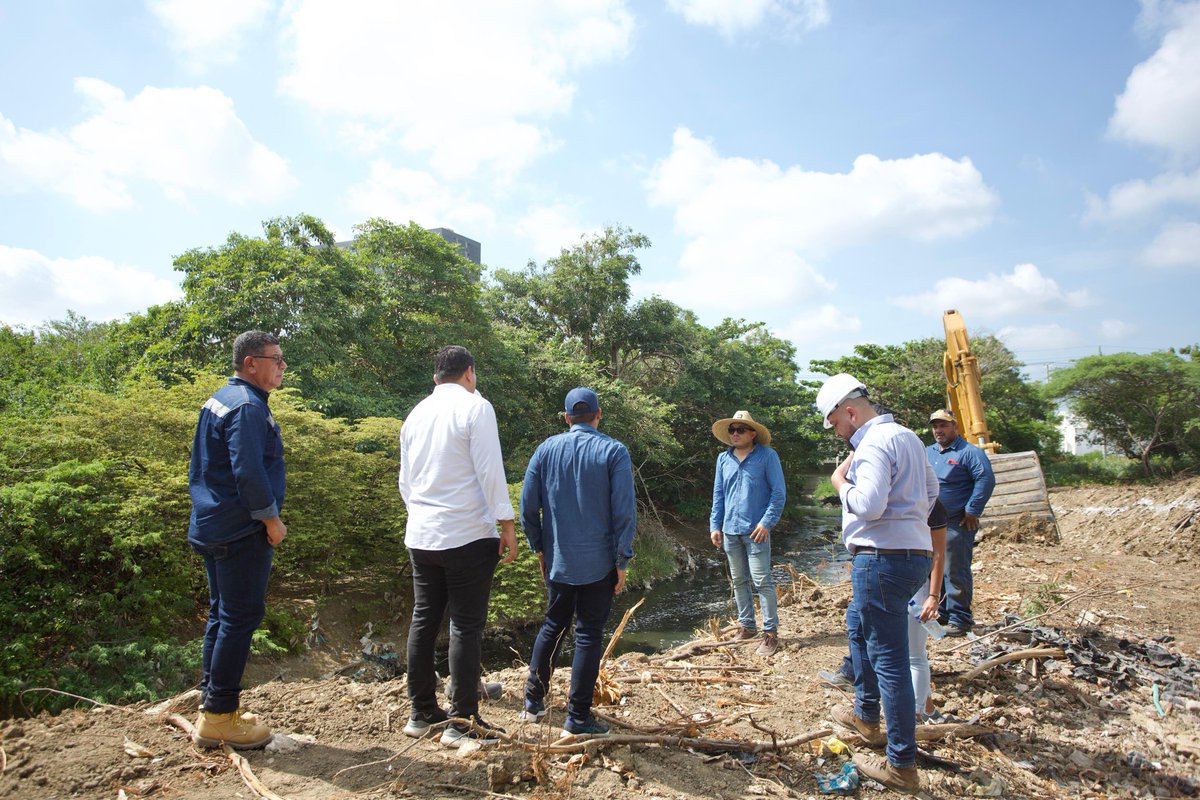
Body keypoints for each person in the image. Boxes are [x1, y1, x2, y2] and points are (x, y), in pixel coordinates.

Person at [816, 374, 939, 795]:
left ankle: (901, 764)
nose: (837, 431)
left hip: (881, 558)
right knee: (857, 625)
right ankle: (865, 715)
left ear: (849, 411)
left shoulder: (871, 443)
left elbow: (869, 505)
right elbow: (932, 489)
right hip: (913, 556)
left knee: (889, 659)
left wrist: (839, 486)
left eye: (834, 423)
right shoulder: (907, 436)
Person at [398, 345, 519, 747]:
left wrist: (422, 515)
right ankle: (462, 721)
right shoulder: (475, 407)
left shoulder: (415, 413)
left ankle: (421, 713)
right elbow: (490, 470)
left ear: (436, 378)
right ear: (470, 373)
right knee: (465, 625)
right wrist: (506, 523)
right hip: (466, 533)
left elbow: (405, 481)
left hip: (422, 534)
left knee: (424, 619)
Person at [187, 330, 288, 749]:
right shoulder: (246, 406)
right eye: (276, 359)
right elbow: (248, 471)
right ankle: (219, 717)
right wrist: (271, 520)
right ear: (251, 363)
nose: (282, 366)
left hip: (211, 523)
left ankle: (212, 701)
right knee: (239, 618)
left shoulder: (221, 398)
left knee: (221, 614)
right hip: (239, 529)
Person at [519, 387, 637, 736]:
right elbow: (624, 513)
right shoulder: (614, 451)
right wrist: (622, 560)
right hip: (599, 563)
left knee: (553, 625)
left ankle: (532, 702)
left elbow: (528, 508)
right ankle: (578, 717)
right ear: (599, 415)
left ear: (567, 417)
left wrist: (540, 548)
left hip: (559, 561)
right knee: (587, 634)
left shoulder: (545, 450)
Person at [820, 497, 947, 724]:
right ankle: (922, 709)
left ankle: (915, 717)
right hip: (895, 580)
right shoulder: (894, 497)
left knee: (914, 656)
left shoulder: (929, 503)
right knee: (896, 649)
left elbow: (938, 553)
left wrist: (933, 596)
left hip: (916, 588)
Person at [709, 410, 786, 657]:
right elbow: (718, 495)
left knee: (762, 580)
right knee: (739, 581)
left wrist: (766, 523)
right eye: (732, 430)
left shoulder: (767, 456)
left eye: (740, 430)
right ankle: (747, 627)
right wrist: (714, 525)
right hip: (730, 530)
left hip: (756, 531)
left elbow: (778, 494)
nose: (735, 434)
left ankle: (771, 633)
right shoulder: (723, 459)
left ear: (753, 433)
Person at [926, 409, 996, 637]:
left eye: (943, 426)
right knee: (934, 568)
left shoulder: (969, 452)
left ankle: (960, 618)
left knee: (955, 569)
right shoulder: (929, 452)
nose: (939, 430)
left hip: (957, 521)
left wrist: (972, 509)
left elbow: (985, 479)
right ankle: (943, 613)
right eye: (935, 426)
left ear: (955, 427)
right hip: (931, 522)